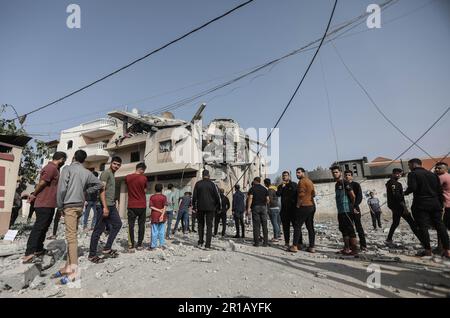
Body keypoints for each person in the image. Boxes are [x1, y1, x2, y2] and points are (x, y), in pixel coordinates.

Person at [55, 150, 106, 283]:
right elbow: (100, 184)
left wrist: (59, 206)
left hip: (69, 206)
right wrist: (85, 192)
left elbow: (61, 189)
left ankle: (74, 272)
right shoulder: (86, 172)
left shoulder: (67, 169)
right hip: (79, 206)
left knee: (71, 238)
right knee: (72, 236)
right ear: (83, 160)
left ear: (73, 157)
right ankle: (67, 267)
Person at [22, 152, 67, 264]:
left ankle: (38, 250)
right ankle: (29, 253)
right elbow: (42, 182)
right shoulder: (51, 168)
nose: (64, 162)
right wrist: (34, 194)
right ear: (61, 159)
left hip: (49, 204)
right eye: (64, 160)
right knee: (38, 228)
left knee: (44, 228)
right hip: (44, 203)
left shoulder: (54, 169)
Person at [404, 158, 450, 258]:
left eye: (409, 165)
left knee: (423, 227)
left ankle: (428, 250)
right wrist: (440, 204)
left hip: (421, 205)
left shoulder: (413, 174)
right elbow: (439, 190)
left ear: (414, 164)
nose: (409, 167)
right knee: (441, 226)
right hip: (436, 204)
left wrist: (404, 193)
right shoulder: (433, 175)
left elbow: (412, 188)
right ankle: (447, 250)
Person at [88, 156, 123, 262]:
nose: (116, 166)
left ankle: (107, 248)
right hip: (103, 206)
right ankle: (92, 255)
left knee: (118, 224)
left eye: (118, 164)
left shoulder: (112, 174)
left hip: (111, 206)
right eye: (115, 164)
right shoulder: (106, 173)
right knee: (98, 230)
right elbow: (101, 190)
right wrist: (105, 207)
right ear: (111, 163)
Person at [385, 168, 422, 245]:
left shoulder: (389, 183)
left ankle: (389, 238)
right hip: (399, 207)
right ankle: (423, 241)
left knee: (395, 222)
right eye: (397, 173)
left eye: (400, 174)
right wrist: (404, 208)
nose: (399, 175)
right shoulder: (395, 184)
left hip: (394, 207)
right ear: (393, 174)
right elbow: (397, 197)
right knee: (412, 223)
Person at [331, 166, 359, 256]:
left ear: (340, 173)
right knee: (343, 230)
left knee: (350, 230)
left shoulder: (345, 182)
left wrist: (352, 206)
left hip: (347, 210)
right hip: (340, 211)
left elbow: (353, 196)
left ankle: (354, 250)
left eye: (336, 172)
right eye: (333, 172)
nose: (335, 174)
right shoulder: (337, 184)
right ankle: (346, 249)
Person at [192, 170, 221, 249]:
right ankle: (208, 245)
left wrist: (194, 207)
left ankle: (200, 242)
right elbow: (217, 196)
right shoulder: (212, 184)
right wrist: (218, 207)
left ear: (202, 175)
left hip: (200, 207)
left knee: (200, 225)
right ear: (209, 175)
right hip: (210, 208)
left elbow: (194, 196)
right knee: (209, 226)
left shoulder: (198, 184)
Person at [290, 168, 316, 253]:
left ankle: (294, 246)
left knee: (297, 226)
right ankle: (312, 247)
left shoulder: (301, 182)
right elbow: (314, 194)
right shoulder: (310, 181)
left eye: (299, 173)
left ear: (303, 173)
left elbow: (301, 195)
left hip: (304, 206)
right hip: (311, 206)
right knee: (310, 227)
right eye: (296, 173)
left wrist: (298, 205)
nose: (297, 174)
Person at [125, 162, 147, 252]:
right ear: (141, 169)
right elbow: (145, 190)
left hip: (131, 205)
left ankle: (131, 245)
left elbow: (128, 188)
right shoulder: (144, 178)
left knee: (131, 225)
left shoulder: (128, 177)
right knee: (141, 225)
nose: (144, 172)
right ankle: (139, 244)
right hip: (142, 205)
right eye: (144, 171)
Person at [344, 170, 367, 251]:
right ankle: (351, 245)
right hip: (346, 210)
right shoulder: (343, 185)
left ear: (352, 176)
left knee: (358, 227)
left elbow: (359, 197)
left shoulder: (356, 185)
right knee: (349, 228)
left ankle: (363, 245)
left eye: (349, 175)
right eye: (346, 175)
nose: (347, 176)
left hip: (355, 208)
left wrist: (355, 207)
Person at [276, 171, 300, 248]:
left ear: (289, 176)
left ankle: (298, 243)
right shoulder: (280, 186)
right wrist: (282, 187)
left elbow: (297, 194)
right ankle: (287, 242)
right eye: (283, 176)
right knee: (285, 227)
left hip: (293, 209)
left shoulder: (294, 184)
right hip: (284, 210)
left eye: (285, 175)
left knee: (296, 226)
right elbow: (278, 194)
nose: (284, 177)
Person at [247, 177, 270, 247]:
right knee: (264, 225)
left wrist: (248, 208)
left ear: (254, 181)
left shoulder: (252, 189)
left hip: (255, 207)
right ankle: (265, 242)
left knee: (256, 225)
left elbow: (250, 198)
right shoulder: (265, 189)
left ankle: (256, 243)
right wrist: (264, 204)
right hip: (263, 207)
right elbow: (268, 199)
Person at [435, 162, 450, 253]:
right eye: (436, 168)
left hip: (446, 206)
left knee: (441, 227)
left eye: (439, 168)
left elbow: (433, 189)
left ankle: (441, 248)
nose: (436, 169)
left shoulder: (441, 177)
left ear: (445, 169)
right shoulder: (449, 176)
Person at [149, 184, 168, 250]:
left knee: (154, 231)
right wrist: (162, 214)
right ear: (162, 189)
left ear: (155, 189)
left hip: (154, 215)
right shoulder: (164, 197)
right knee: (161, 231)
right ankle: (162, 245)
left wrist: (158, 210)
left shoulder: (152, 197)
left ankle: (153, 246)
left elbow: (151, 206)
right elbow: (165, 206)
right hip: (162, 215)